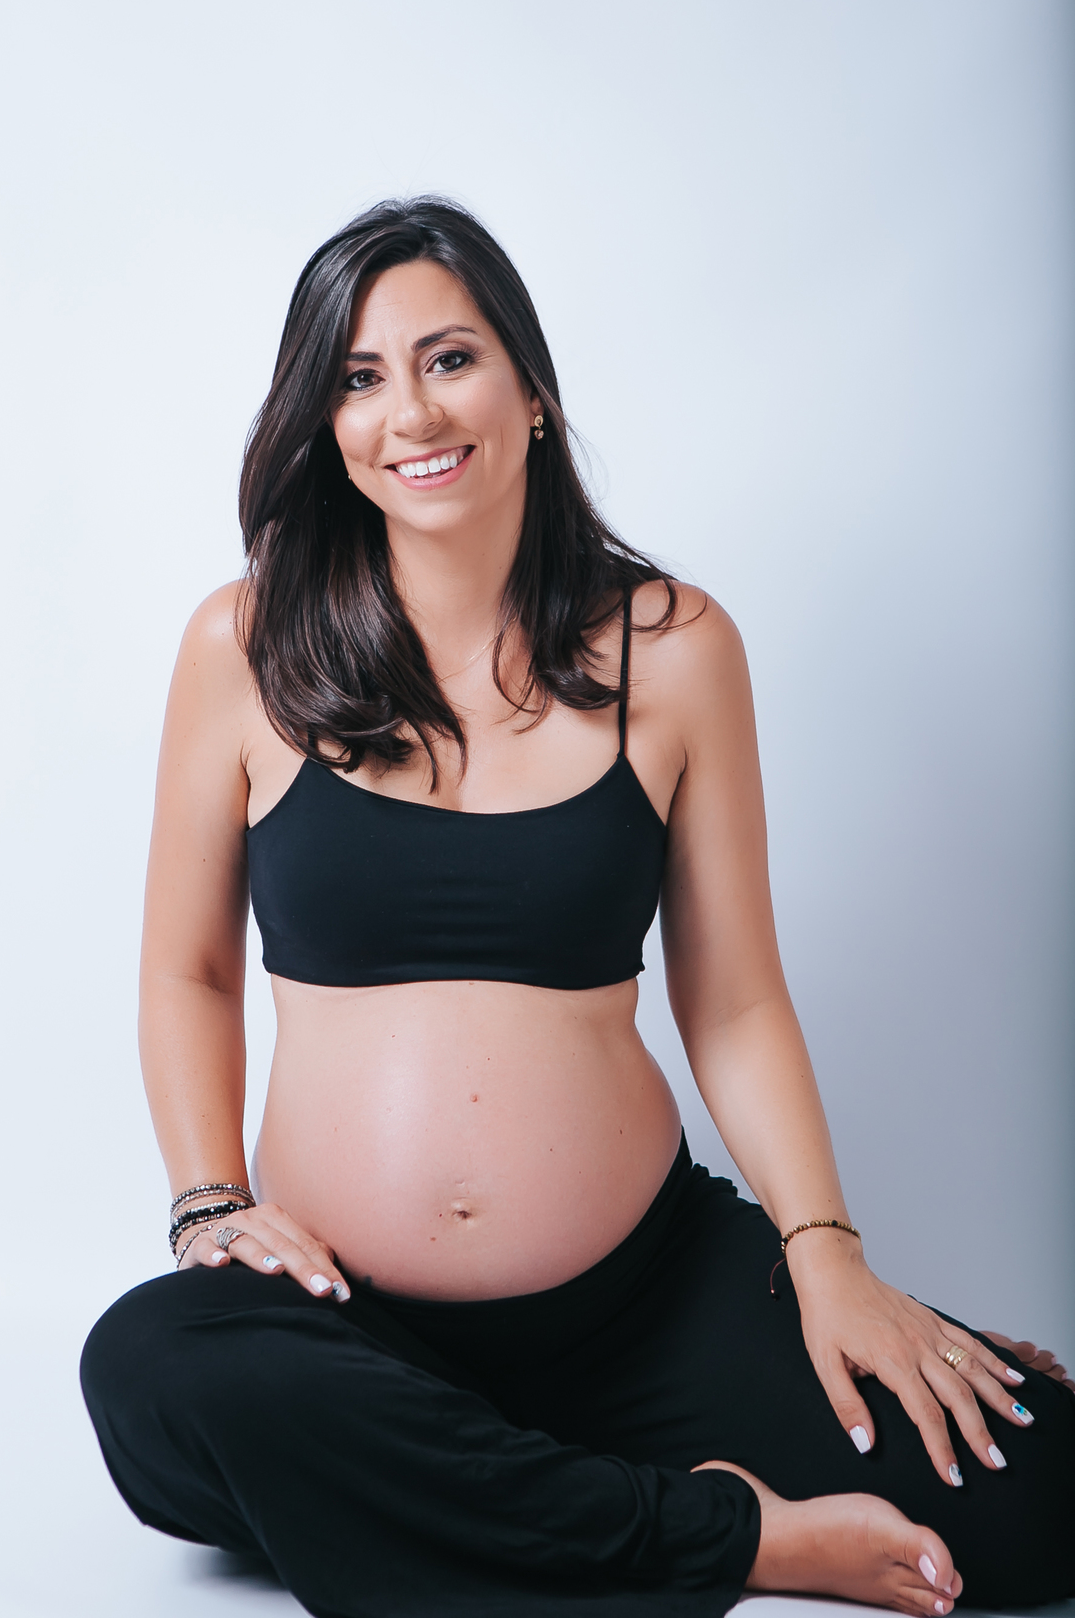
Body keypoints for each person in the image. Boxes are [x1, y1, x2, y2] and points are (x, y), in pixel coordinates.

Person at [81, 198, 1074, 1618]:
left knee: (1042, 1499)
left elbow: (734, 998)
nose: (411, 413)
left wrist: (829, 1259)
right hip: (345, 1321)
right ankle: (732, 1534)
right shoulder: (242, 645)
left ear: (531, 389)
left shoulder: (677, 649)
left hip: (639, 1304)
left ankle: (473, 1501)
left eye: (449, 358)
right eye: (359, 378)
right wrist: (207, 1208)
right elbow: (186, 969)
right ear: (324, 421)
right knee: (150, 1371)